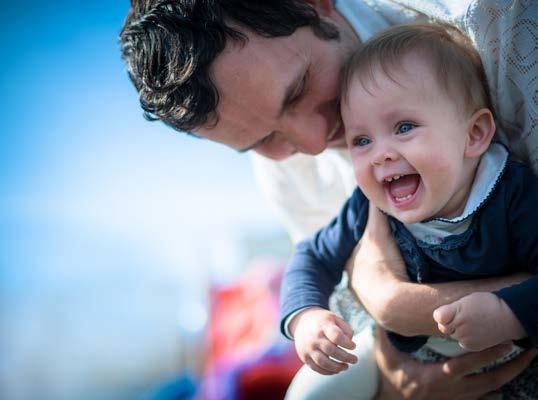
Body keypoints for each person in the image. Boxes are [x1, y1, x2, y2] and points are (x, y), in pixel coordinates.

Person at [119, 1, 538, 398]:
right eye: (264, 141)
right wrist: (388, 379)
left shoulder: (505, 27)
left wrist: (395, 304)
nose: (314, 143)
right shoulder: (286, 177)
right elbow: (318, 267)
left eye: (299, 88)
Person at [280, 21, 538, 398]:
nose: (381, 153)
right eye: (362, 139)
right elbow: (312, 255)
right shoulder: (368, 204)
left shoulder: (511, 197)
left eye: (404, 127)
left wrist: (510, 312)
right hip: (384, 352)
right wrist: (306, 318)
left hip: (508, 366)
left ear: (474, 135)